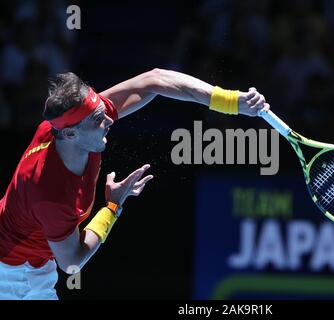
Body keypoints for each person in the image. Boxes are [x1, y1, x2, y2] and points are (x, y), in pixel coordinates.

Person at [0, 68, 270, 299]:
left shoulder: (66, 129)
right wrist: (112, 207)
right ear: (70, 133)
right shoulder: (51, 193)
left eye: (102, 110)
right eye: (98, 119)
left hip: (29, 262)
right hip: (15, 277)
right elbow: (71, 263)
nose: (108, 119)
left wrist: (232, 102)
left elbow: (155, 79)